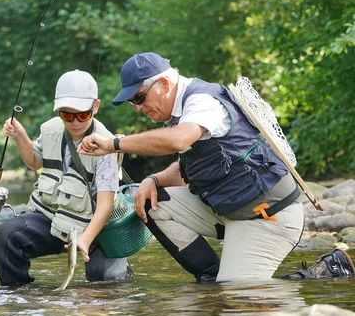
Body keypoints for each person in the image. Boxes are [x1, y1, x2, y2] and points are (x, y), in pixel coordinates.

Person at [78, 52, 305, 282]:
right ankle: (209, 277)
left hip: (268, 214)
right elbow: (191, 165)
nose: (137, 108)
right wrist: (153, 180)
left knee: (236, 295)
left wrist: (114, 144)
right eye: (132, 102)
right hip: (229, 209)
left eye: (139, 98)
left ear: (164, 84)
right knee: (151, 201)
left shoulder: (203, 101)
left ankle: (322, 271)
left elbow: (178, 140)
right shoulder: (179, 113)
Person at [0, 69, 130, 286]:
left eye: (82, 115)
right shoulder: (51, 129)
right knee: (5, 237)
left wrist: (85, 240)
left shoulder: (107, 145)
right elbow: (35, 161)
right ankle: (19, 301)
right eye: (67, 115)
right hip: (53, 218)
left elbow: (105, 205)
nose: (75, 122)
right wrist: (20, 135)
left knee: (105, 288)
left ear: (95, 107)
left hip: (95, 228)